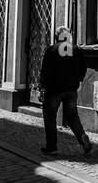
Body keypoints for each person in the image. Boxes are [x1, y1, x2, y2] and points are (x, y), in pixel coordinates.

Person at [39, 26, 92, 156]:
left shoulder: (51, 50)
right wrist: (78, 80)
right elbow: (83, 68)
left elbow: (45, 71)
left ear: (57, 36)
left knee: (50, 117)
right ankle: (82, 137)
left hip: (54, 90)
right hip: (71, 90)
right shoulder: (76, 50)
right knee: (73, 117)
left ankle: (52, 147)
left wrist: (42, 86)